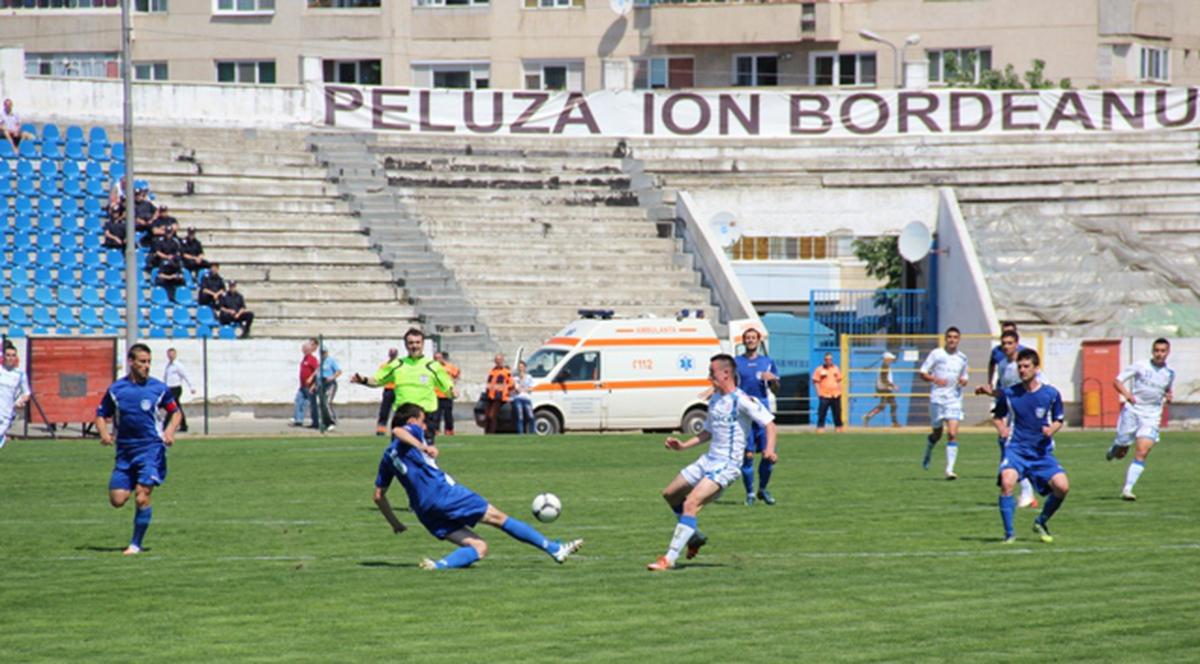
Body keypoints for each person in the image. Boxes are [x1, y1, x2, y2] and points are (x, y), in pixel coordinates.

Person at [373, 403, 583, 570]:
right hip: (445, 494)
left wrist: (395, 523)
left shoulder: (387, 456)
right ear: (412, 422)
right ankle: (554, 549)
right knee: (499, 518)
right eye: (422, 421)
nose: (425, 426)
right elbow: (398, 430)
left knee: (479, 547)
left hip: (425, 511)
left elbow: (378, 496)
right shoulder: (413, 432)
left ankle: (438, 566)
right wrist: (422, 446)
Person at [647, 354, 777, 571]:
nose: (709, 377)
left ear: (726, 373)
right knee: (670, 494)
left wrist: (769, 449)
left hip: (727, 465)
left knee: (690, 504)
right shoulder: (715, 399)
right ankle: (694, 536)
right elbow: (707, 433)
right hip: (708, 459)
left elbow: (770, 424)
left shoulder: (742, 400)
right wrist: (683, 446)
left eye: (712, 372)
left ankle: (669, 559)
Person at [95, 344, 182, 555]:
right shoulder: (117, 390)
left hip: (151, 449)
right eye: (142, 361)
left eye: (149, 362)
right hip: (125, 451)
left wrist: (169, 432)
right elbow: (101, 414)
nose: (146, 366)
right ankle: (137, 483)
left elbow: (176, 412)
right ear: (131, 362)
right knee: (117, 500)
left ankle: (135, 544)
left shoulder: (158, 388)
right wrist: (104, 433)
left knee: (142, 496)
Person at [992, 348, 1068, 544]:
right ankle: (1009, 534)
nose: (1022, 370)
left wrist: (1051, 430)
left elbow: (1059, 419)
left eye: (1026, 366)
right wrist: (1002, 428)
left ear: (1036, 368)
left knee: (1062, 487)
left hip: (1041, 452)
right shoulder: (1010, 394)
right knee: (1007, 482)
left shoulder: (1051, 394)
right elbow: (997, 417)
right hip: (1016, 449)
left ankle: (1041, 522)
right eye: (1020, 367)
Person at [351, 327, 452, 444]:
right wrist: (363, 380)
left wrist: (452, 392)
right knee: (399, 453)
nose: (414, 346)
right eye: (411, 343)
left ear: (423, 344)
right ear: (406, 345)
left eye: (418, 342)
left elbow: (448, 387)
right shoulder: (397, 365)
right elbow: (377, 380)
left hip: (425, 416)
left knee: (424, 451)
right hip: (403, 415)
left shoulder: (432, 366)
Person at [974, 330, 1038, 508]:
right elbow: (1006, 393)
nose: (1006, 346)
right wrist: (989, 392)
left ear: (1017, 344)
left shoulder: (1022, 366)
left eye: (1010, 343)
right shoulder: (1002, 364)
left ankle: (1027, 491)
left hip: (1025, 413)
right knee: (1007, 447)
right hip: (1010, 412)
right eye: (1004, 343)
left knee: (1017, 451)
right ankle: (1023, 489)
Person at [1107, 338, 1175, 501]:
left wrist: (1169, 396)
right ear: (1152, 351)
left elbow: (1167, 390)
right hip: (1133, 411)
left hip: (1152, 415)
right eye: (1156, 350)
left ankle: (1127, 489)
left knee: (1142, 452)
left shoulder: (1170, 373)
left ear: (1168, 352)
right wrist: (1127, 395)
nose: (1159, 354)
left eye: (1162, 351)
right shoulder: (1141, 365)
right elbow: (1117, 381)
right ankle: (1115, 447)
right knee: (1121, 452)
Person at [735, 327, 780, 505]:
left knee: (769, 454)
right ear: (743, 341)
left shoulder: (767, 362)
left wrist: (773, 380)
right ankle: (750, 494)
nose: (750, 340)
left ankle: (762, 489)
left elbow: (776, 390)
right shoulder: (736, 362)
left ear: (759, 340)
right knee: (748, 456)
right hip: (744, 413)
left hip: (763, 413)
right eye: (748, 338)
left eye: (753, 337)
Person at [919, 327, 969, 480]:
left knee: (952, 434)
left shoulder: (962, 358)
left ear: (959, 340)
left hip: (954, 399)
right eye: (949, 337)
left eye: (955, 337)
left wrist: (963, 381)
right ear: (945, 339)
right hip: (937, 399)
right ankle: (928, 450)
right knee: (937, 434)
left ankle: (949, 470)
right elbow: (923, 372)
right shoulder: (937, 354)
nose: (952, 340)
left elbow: (965, 377)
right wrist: (935, 379)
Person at [0, 342, 31, 451]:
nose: (10, 358)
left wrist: (21, 401)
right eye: (8, 355)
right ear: (3, 356)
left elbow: (27, 393)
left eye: (13, 355)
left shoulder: (20, 374)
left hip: (6, 414)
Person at [162, 347, 196, 433]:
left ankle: (164, 425)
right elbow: (166, 378)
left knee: (170, 406)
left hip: (176, 388)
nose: (170, 356)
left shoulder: (178, 365)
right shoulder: (168, 366)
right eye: (169, 354)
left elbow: (185, 375)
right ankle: (183, 425)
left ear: (175, 355)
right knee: (177, 407)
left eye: (172, 354)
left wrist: (191, 387)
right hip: (169, 388)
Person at [863, 351, 900, 428]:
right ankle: (867, 416)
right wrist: (893, 386)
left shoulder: (884, 366)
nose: (892, 360)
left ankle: (894, 422)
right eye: (890, 358)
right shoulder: (885, 366)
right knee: (886, 406)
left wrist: (877, 390)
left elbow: (879, 380)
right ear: (886, 359)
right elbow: (883, 379)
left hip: (884, 388)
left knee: (892, 405)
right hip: (885, 389)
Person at [291, 339, 320, 428]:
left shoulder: (312, 359)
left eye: (305, 349)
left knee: (312, 404)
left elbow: (317, 369)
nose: (303, 350)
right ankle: (298, 420)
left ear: (309, 349)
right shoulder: (304, 359)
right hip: (302, 386)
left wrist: (311, 378)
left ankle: (315, 422)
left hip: (310, 386)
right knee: (298, 401)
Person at [812, 353, 843, 433]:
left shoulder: (836, 368)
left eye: (830, 359)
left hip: (835, 395)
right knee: (822, 412)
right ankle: (820, 427)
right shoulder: (819, 369)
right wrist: (819, 393)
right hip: (824, 395)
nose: (828, 361)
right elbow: (815, 382)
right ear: (824, 360)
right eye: (827, 359)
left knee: (837, 412)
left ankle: (839, 427)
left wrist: (840, 391)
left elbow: (839, 380)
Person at [431, 350, 460, 437]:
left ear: (442, 358)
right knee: (436, 414)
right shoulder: (432, 368)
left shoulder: (449, 367)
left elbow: (457, 374)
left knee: (448, 414)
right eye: (435, 358)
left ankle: (449, 430)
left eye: (439, 358)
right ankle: (436, 429)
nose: (437, 359)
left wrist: (453, 383)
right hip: (436, 394)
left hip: (447, 394)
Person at [483, 354, 513, 435]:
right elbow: (489, 383)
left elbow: (511, 384)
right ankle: (486, 433)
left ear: (502, 360)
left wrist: (504, 388)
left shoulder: (506, 372)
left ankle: (492, 434)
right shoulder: (492, 371)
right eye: (496, 360)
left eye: (499, 360)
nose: (498, 361)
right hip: (490, 396)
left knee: (492, 416)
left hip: (500, 397)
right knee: (487, 416)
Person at [374, 348, 400, 436]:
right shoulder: (384, 366)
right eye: (391, 354)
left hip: (398, 389)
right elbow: (379, 376)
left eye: (394, 354)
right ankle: (381, 429)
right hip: (388, 389)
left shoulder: (400, 365)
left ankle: (399, 429)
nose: (393, 355)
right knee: (384, 410)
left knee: (399, 411)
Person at [316, 346, 342, 431]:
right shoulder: (321, 362)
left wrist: (332, 377)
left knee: (327, 403)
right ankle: (325, 422)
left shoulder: (331, 361)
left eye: (324, 352)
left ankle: (332, 421)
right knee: (322, 404)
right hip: (322, 384)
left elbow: (339, 371)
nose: (322, 354)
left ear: (327, 352)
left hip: (330, 384)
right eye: (321, 353)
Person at [511, 360, 535, 434]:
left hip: (526, 398)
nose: (520, 368)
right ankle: (520, 433)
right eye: (519, 367)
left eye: (522, 367)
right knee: (520, 416)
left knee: (531, 416)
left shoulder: (529, 377)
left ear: (525, 368)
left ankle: (532, 432)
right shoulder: (515, 378)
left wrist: (524, 388)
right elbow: (516, 389)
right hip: (517, 398)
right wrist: (520, 381)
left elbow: (531, 388)